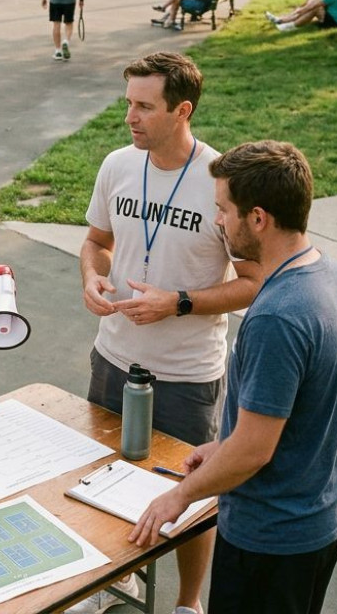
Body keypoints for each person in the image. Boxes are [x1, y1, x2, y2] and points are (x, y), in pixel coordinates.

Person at [130, 140, 337, 614]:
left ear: (257, 218)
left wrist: (181, 496)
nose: (218, 220)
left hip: (271, 539)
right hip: (322, 517)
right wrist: (223, 447)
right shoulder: (332, 276)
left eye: (223, 210)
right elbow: (298, 412)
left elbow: (256, 450)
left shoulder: (277, 316)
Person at [75, 52, 260, 614]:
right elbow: (96, 242)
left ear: (183, 110)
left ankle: (187, 603)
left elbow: (254, 282)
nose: (129, 117)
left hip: (185, 373)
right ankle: (115, 582)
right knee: (103, 475)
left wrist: (178, 302)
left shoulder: (221, 181)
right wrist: (91, 276)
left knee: (190, 491)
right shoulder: (117, 165)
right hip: (113, 357)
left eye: (144, 106)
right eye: (128, 103)